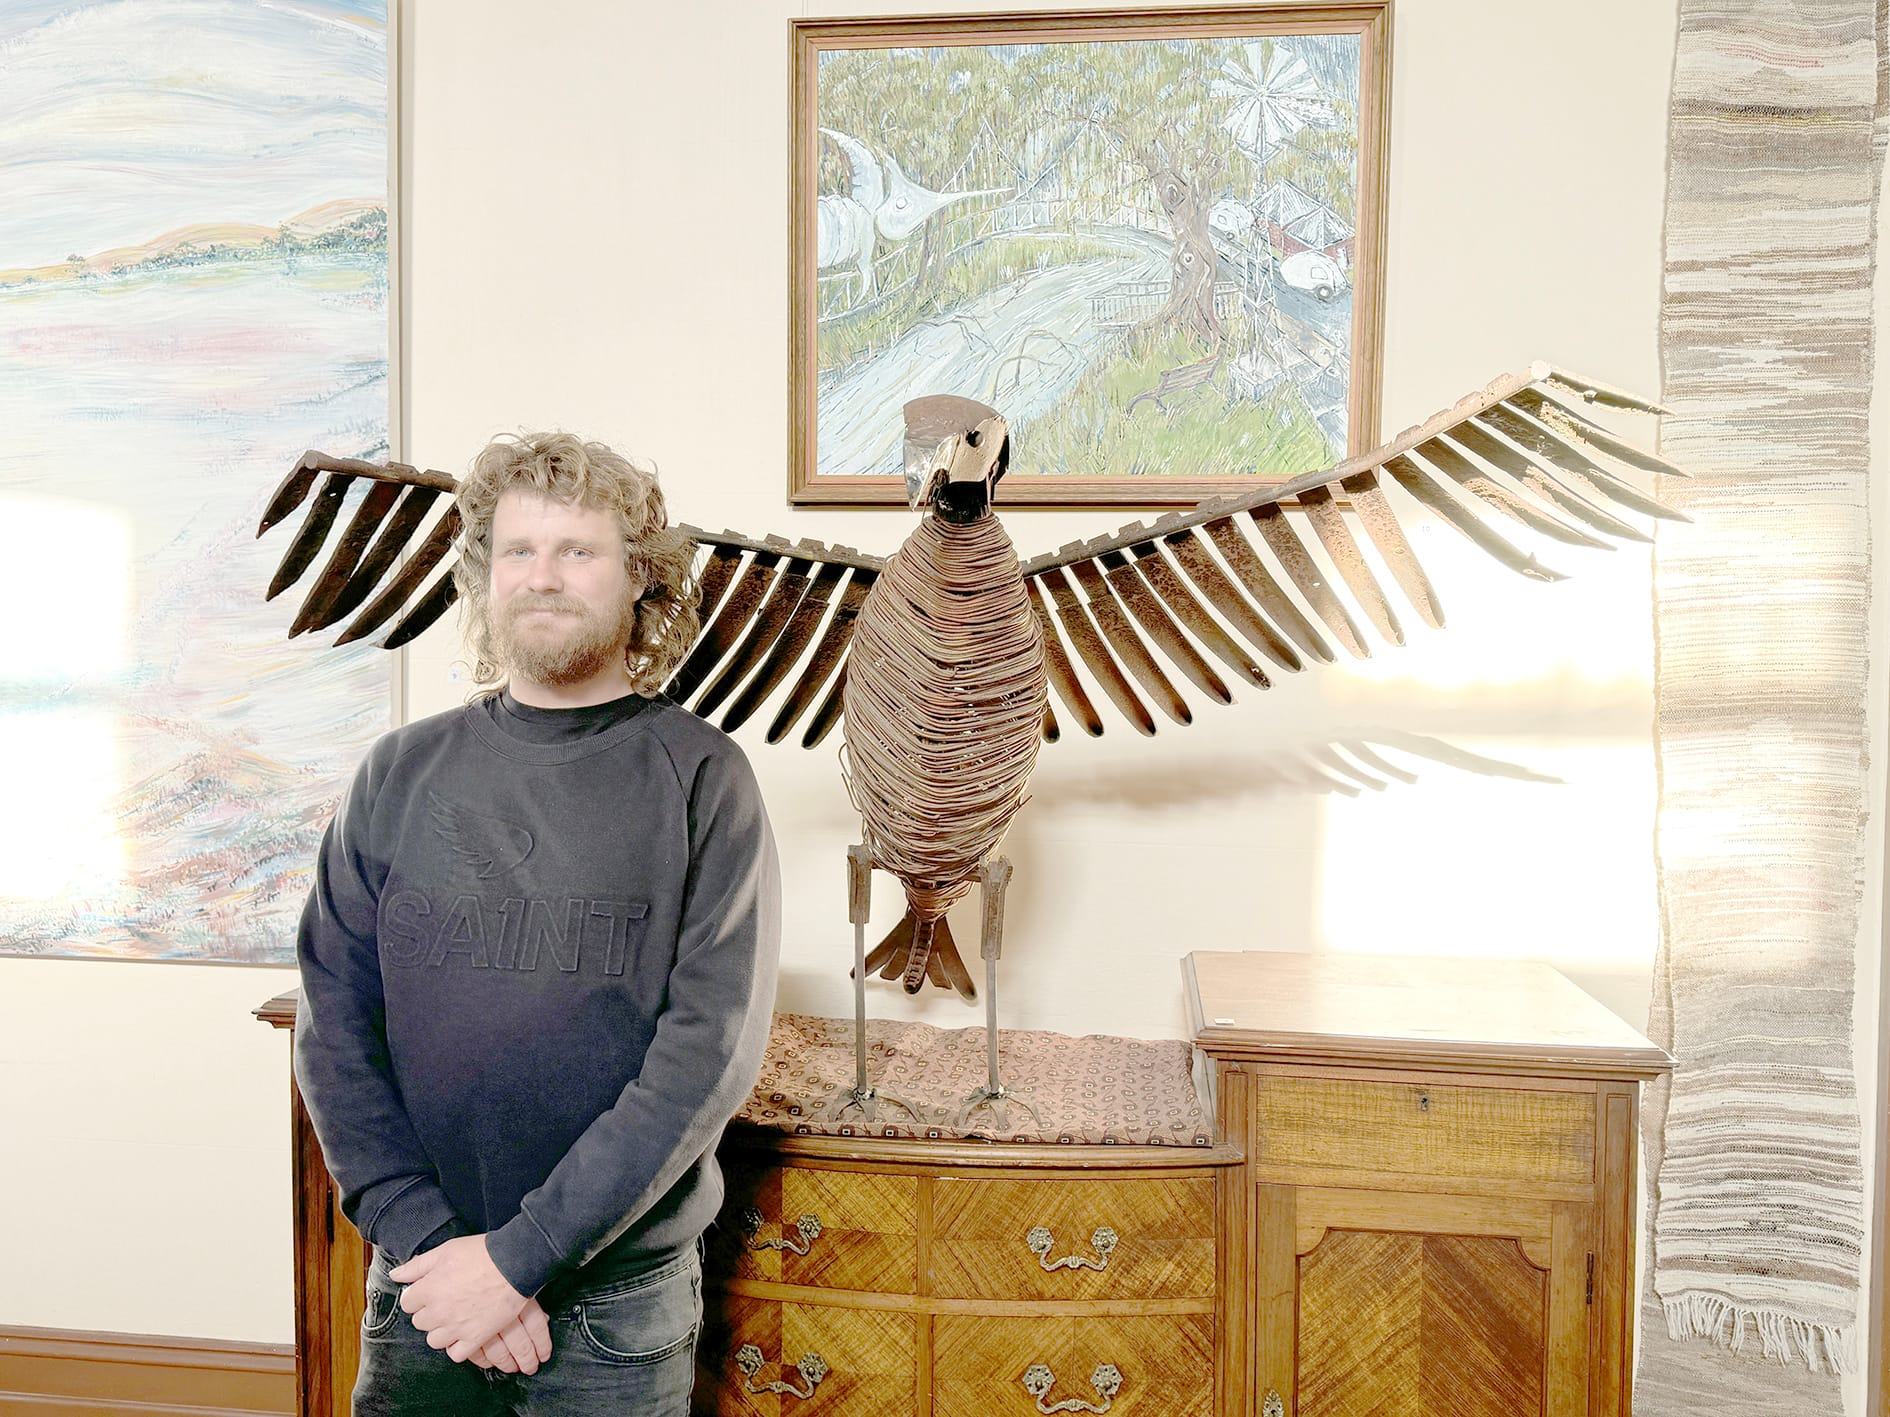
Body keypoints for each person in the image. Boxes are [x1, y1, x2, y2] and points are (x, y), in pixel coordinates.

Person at [293, 431, 782, 1415]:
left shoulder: (701, 778)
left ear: (639, 576)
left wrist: (520, 1260)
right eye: (518, 551)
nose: (543, 577)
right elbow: (333, 1018)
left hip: (612, 1300)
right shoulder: (397, 772)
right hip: (420, 1281)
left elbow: (705, 1059)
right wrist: (434, 1247)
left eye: (578, 552)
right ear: (484, 576)